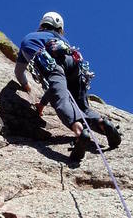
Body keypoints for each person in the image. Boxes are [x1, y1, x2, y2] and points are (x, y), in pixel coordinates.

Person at [14, 11, 121, 161]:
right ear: (59, 28)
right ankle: (102, 123)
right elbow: (60, 81)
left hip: (52, 65)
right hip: (74, 65)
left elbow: (20, 72)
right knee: (82, 107)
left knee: (62, 102)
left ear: (41, 25)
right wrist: (43, 102)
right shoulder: (61, 39)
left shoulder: (29, 39)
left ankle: (79, 133)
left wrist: (26, 86)